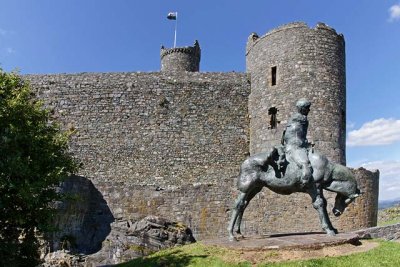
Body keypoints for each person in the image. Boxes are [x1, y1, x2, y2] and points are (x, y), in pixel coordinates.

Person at [281, 98, 312, 184]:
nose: (309, 110)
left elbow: (285, 135)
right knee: (305, 163)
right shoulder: (301, 118)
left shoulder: (293, 119)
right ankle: (305, 181)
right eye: (307, 108)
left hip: (290, 144)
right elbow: (297, 136)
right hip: (295, 146)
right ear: (302, 109)